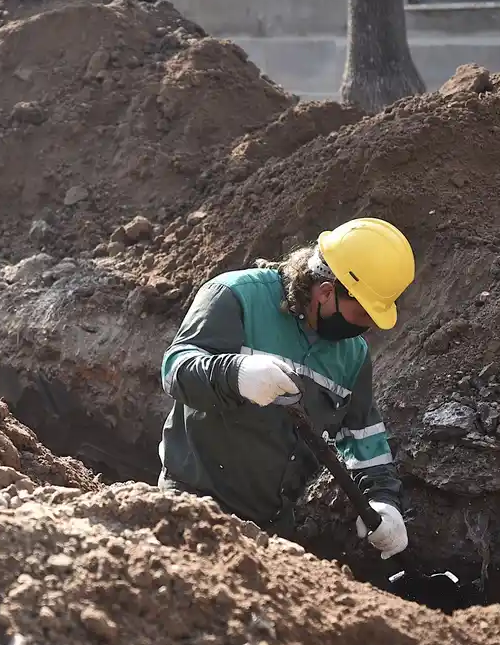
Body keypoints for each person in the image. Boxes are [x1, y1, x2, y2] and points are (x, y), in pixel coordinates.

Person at [158, 217, 416, 560]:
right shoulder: (235, 296)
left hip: (270, 532)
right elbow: (175, 369)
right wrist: (234, 373)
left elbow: (364, 437)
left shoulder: (352, 357)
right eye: (363, 314)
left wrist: (383, 499)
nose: (367, 327)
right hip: (188, 507)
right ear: (327, 291)